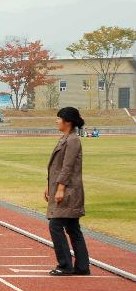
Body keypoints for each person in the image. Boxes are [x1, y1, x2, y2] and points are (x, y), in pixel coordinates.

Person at [46, 107, 92, 276]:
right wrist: (48, 185)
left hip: (68, 191)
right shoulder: (64, 138)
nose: (56, 121)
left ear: (68, 122)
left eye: (59, 118)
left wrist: (60, 189)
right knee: (73, 227)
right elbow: (55, 166)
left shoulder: (73, 140)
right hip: (63, 188)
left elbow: (67, 167)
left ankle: (65, 265)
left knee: (56, 225)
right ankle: (82, 266)